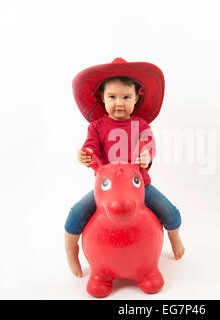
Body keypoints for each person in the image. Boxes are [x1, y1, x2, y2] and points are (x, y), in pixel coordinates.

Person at [65, 58, 185, 277]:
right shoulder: (96, 127)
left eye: (126, 97)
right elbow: (90, 147)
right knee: (76, 214)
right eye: (112, 97)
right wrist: (86, 154)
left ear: (137, 98)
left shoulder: (141, 126)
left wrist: (146, 156)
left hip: (139, 187)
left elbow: (149, 145)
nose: (118, 103)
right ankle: (71, 251)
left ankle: (174, 236)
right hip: (107, 191)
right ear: (101, 97)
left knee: (170, 211)